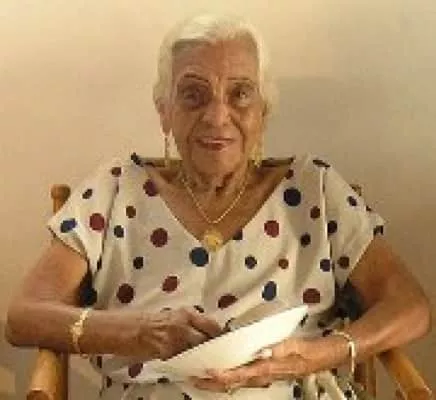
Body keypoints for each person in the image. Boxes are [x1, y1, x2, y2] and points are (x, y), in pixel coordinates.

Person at [5, 14, 431, 400]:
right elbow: (23, 316)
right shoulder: (115, 190)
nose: (217, 116)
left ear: (264, 111)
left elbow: (410, 305)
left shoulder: (314, 189)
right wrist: (137, 331)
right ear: (164, 111)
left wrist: (321, 354)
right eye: (193, 95)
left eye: (240, 94)